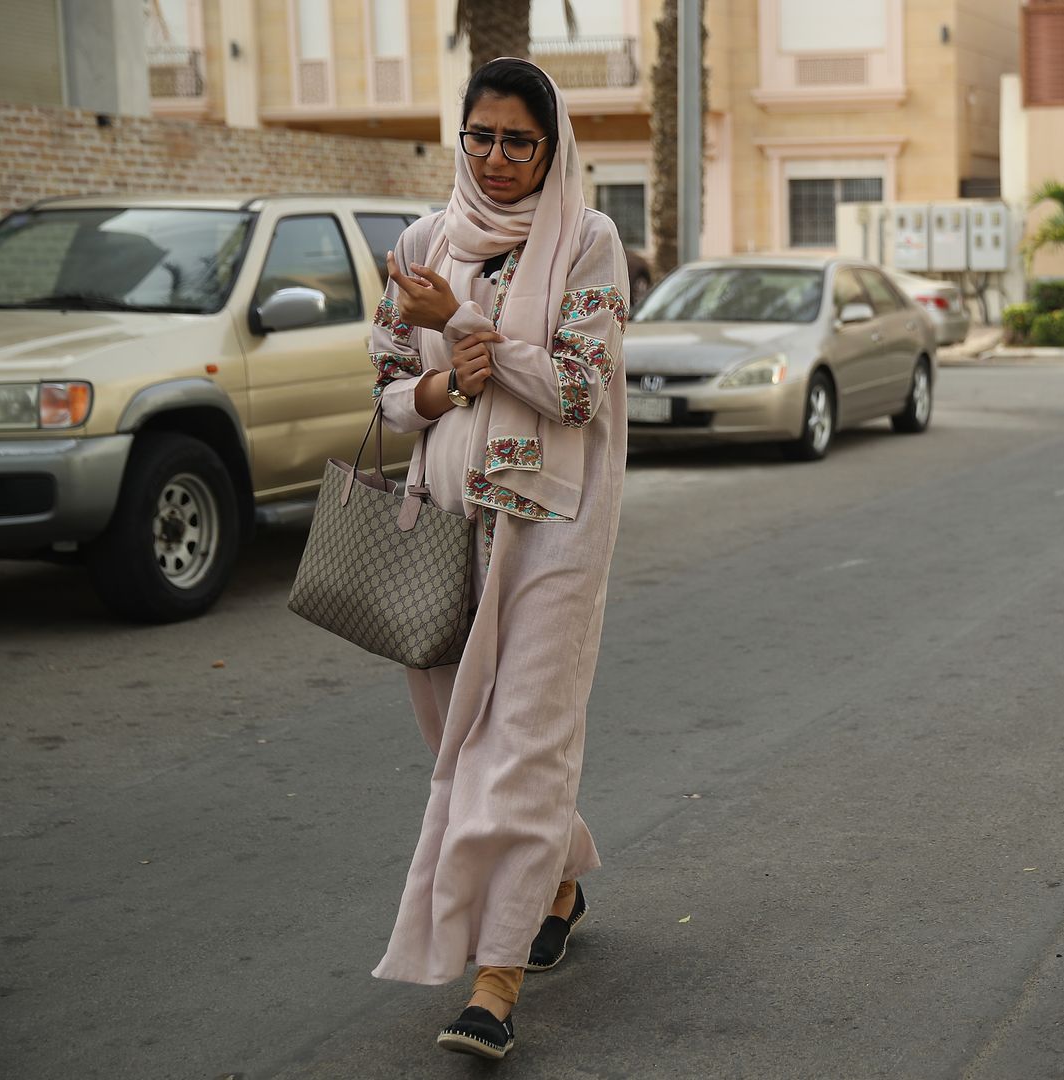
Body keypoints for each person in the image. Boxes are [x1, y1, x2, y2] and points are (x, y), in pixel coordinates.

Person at [366, 56, 630, 1059]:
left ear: (552, 148)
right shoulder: (424, 243)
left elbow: (574, 391)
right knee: (458, 742)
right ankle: (557, 879)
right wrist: (439, 389)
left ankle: (495, 981)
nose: (499, 158)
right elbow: (391, 387)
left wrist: (465, 326)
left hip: (555, 524)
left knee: (521, 744)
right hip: (441, 521)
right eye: (482, 136)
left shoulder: (590, 242)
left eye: (521, 141)